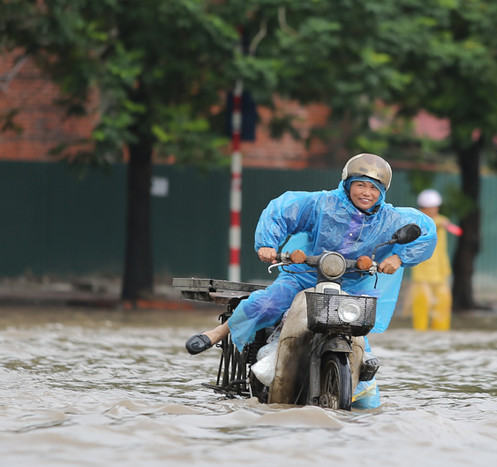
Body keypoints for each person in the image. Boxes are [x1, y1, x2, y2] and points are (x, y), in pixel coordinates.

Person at [184, 153, 438, 407]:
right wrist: (268, 245)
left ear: (382, 192)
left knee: (361, 348)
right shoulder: (321, 203)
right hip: (304, 276)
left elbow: (426, 231)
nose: (366, 192)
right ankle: (218, 333)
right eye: (360, 184)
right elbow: (281, 211)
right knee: (268, 303)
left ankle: (359, 384)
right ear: (347, 184)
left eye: (374, 187)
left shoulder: (391, 218)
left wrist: (399, 258)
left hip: (353, 285)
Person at [409, 189, 462, 331]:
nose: (433, 210)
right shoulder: (417, 221)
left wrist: (444, 224)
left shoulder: (442, 220)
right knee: (422, 305)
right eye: (430, 207)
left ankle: (440, 334)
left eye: (435, 207)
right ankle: (420, 333)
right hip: (422, 274)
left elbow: (453, 228)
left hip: (441, 273)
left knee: (442, 307)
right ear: (423, 208)